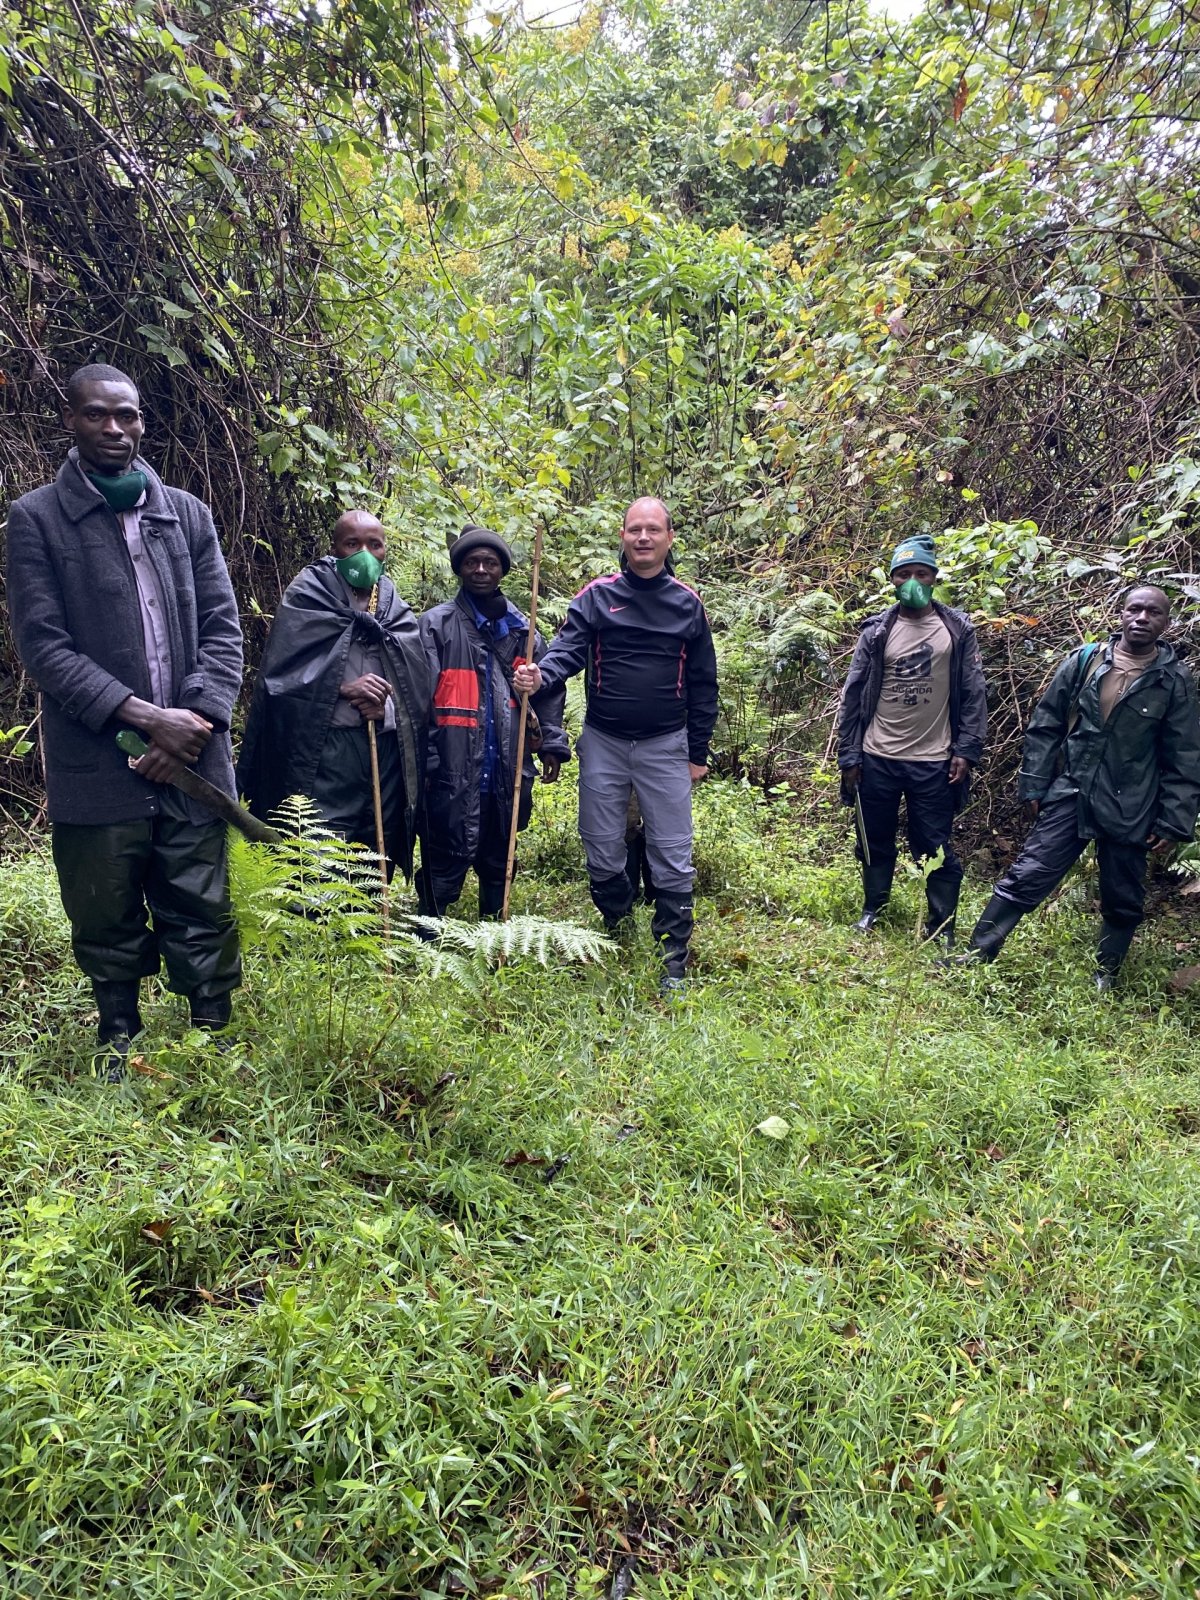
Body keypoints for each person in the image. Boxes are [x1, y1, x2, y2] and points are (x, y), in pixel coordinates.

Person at [5, 362, 244, 1059]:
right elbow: (43, 647)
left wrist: (191, 721)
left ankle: (212, 1034)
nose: (114, 428)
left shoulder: (187, 514)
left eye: (127, 414)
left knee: (200, 898)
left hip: (193, 752)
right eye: (96, 414)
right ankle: (119, 1036)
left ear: (142, 421)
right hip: (98, 757)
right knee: (102, 902)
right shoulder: (36, 518)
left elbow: (224, 630)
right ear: (71, 420)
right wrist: (144, 717)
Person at [513, 496, 718, 993]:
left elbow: (703, 683)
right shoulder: (597, 597)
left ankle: (673, 956)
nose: (643, 538)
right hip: (604, 740)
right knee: (601, 844)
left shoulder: (686, 603)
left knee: (672, 850)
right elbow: (567, 651)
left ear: (669, 539)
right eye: (634, 530)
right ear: (623, 537)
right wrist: (540, 676)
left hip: (665, 745)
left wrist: (697, 753)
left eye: (653, 530)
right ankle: (618, 924)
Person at [953, 585, 1200, 989]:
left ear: (1166, 622)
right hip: (1073, 791)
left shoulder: (1173, 681)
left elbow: (1184, 754)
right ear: (1121, 614)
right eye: (1134, 609)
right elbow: (1046, 724)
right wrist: (1035, 784)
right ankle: (978, 953)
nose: (1141, 618)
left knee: (1122, 892)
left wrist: (1174, 819)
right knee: (1030, 872)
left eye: (1153, 613)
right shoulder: (1086, 661)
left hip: (1132, 802)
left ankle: (1107, 974)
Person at [237, 511, 430, 879]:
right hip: (324, 753)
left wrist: (386, 708)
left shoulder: (392, 604)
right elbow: (280, 679)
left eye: (374, 544)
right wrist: (342, 688)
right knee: (318, 849)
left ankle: (370, 913)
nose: (364, 553)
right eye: (352, 544)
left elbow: (415, 684)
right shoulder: (309, 594)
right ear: (335, 548)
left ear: (385, 550)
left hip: (383, 752)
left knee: (374, 848)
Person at [837, 535, 988, 946]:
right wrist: (849, 754)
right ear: (892, 580)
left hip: (934, 759)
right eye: (904, 574)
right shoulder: (877, 631)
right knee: (873, 838)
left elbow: (973, 692)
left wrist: (967, 750)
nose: (913, 582)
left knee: (933, 844)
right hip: (877, 756)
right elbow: (854, 694)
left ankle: (940, 926)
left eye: (921, 573)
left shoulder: (957, 629)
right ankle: (874, 908)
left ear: (934, 577)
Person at [416, 524, 569, 919]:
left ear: (502, 569)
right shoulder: (434, 626)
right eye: (472, 562)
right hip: (450, 766)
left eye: (490, 562)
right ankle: (429, 927)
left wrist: (551, 742)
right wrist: (424, 758)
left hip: (507, 766)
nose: (481, 570)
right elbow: (416, 698)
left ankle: (494, 927)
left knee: (500, 851)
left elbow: (548, 690)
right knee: (443, 850)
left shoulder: (522, 630)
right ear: (459, 568)